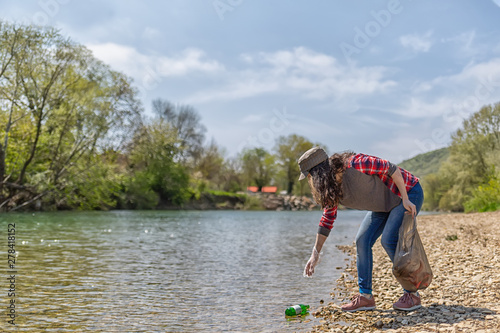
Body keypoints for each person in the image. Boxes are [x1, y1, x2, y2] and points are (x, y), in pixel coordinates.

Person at [298, 147, 424, 312]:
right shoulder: (331, 187)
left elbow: (391, 168)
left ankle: (412, 295)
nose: (311, 181)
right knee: (362, 241)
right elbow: (327, 219)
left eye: (310, 176)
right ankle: (366, 298)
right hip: (383, 205)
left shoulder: (356, 163)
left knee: (388, 240)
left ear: (316, 173)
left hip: (407, 192)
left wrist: (406, 199)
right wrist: (315, 254)